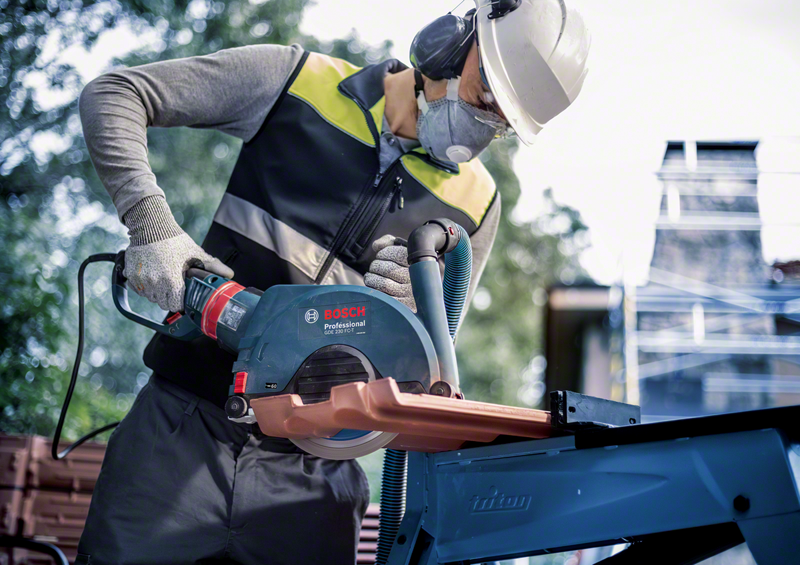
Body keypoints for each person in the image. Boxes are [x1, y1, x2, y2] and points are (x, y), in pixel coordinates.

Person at [75, 0, 590, 563]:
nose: (482, 129)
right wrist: (152, 225)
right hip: (180, 434)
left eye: (502, 124)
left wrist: (411, 315)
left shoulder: (476, 205)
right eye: (482, 99)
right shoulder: (297, 81)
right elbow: (115, 94)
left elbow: (431, 372)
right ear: (450, 44)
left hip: (314, 483)